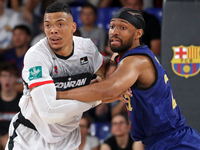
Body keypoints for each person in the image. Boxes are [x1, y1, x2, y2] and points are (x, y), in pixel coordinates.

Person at [57, 7, 200, 149]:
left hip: (175, 142)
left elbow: (107, 89)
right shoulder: (121, 58)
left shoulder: (136, 61)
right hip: (159, 142)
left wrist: (57, 94)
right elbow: (99, 86)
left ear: (138, 33)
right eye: (112, 26)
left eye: (123, 27)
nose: (115, 32)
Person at [5, 2, 129, 150]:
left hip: (68, 139)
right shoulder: (36, 56)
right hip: (31, 137)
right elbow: (49, 112)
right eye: (48, 25)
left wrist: (115, 66)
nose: (53, 30)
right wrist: (99, 98)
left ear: (73, 27)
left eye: (60, 24)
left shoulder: (86, 48)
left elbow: (106, 71)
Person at [2, 24, 31, 93]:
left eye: (21, 34)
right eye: (14, 34)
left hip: (28, 92)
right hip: (9, 90)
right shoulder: (7, 55)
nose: (17, 38)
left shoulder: (34, 54)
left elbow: (37, 81)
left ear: (28, 37)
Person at [0, 62, 22, 150]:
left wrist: (9, 137)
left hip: (17, 141)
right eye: (4, 76)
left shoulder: (23, 101)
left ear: (16, 78)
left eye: (11, 76)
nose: (7, 79)